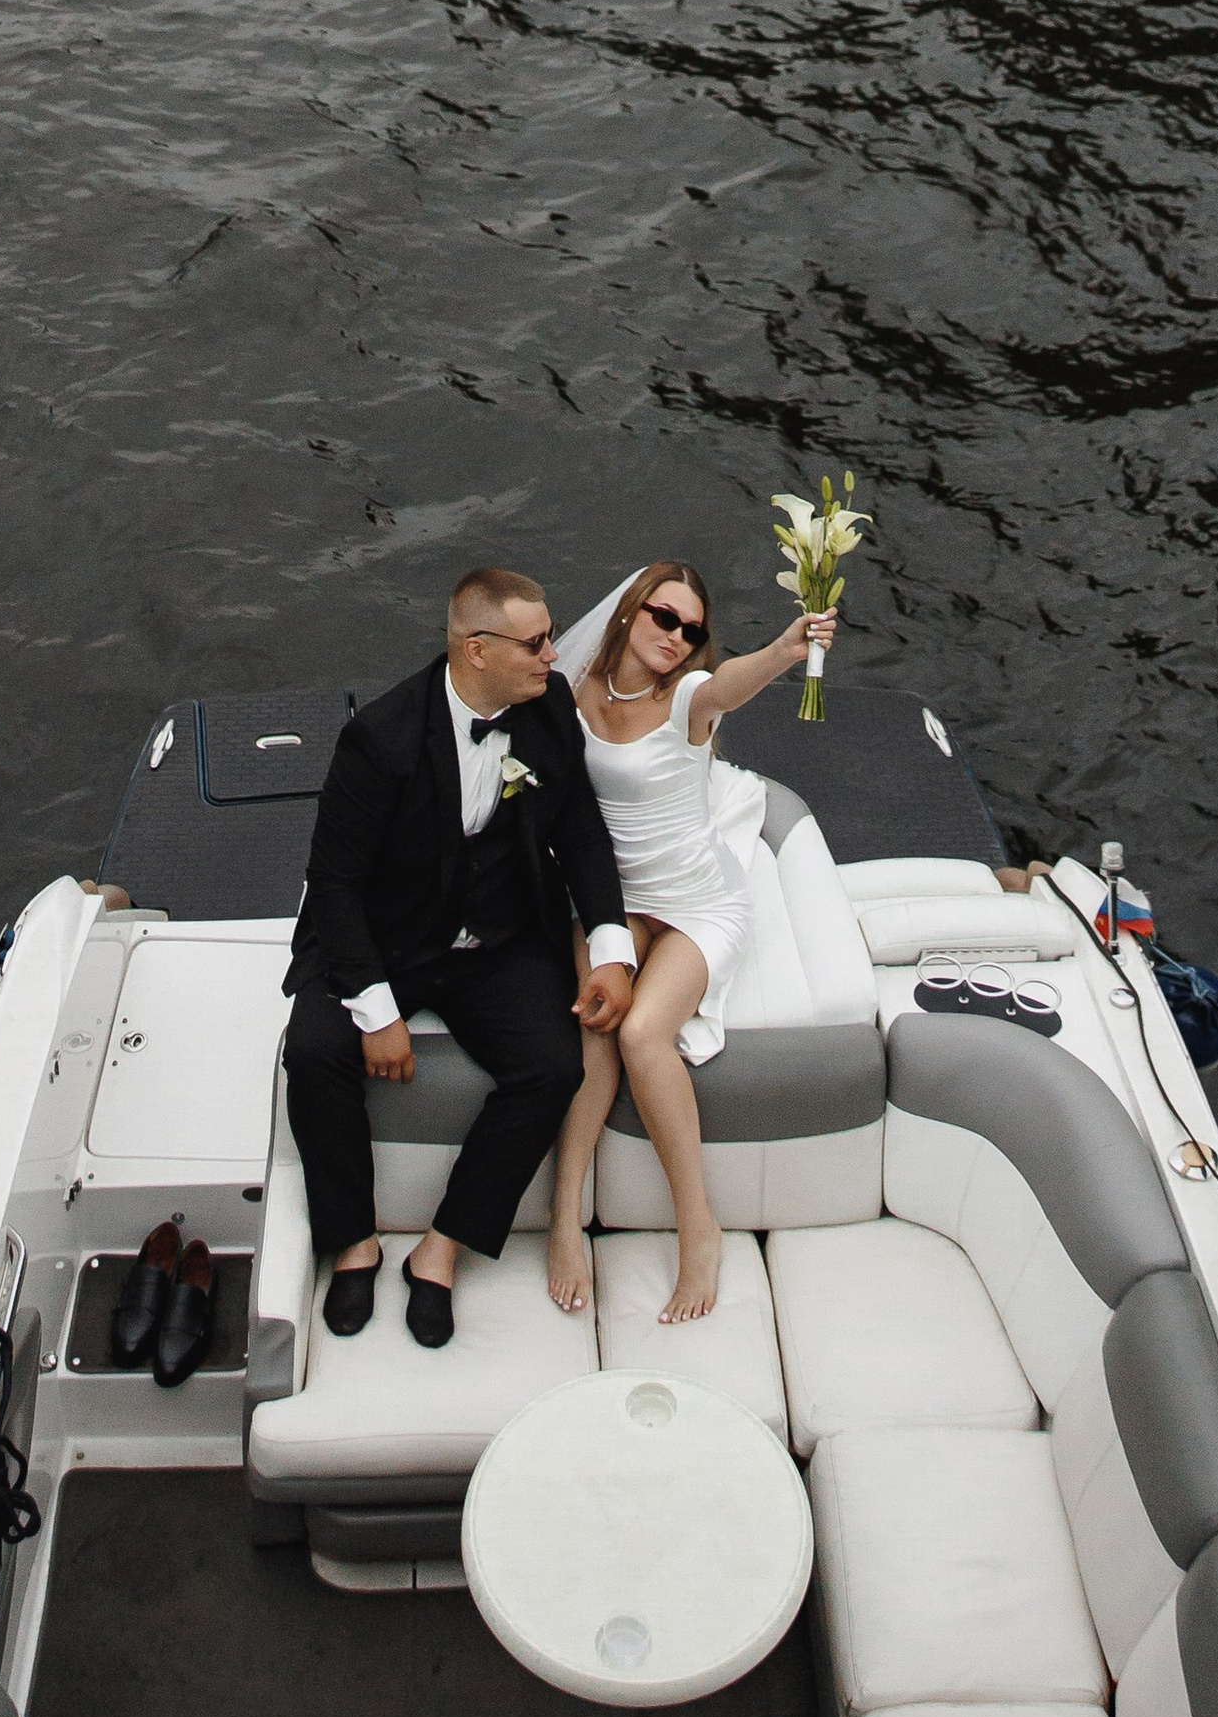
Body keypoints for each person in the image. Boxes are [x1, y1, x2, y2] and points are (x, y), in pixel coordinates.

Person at [282, 567, 634, 1349]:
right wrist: (375, 1011)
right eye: (537, 642)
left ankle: (443, 1249)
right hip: (388, 941)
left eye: (549, 638)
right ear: (477, 649)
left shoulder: (546, 713)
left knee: (553, 1066)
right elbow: (334, 885)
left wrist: (611, 950)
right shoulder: (381, 738)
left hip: (495, 944)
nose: (553, 655)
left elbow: (579, 833)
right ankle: (355, 1241)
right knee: (312, 1052)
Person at [544, 562, 834, 1326]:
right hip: (614, 899)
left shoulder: (688, 702)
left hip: (699, 902)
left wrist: (784, 650)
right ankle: (564, 1217)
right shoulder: (575, 694)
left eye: (693, 630)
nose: (678, 638)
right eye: (666, 619)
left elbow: (730, 684)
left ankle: (697, 1228)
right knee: (595, 1027)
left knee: (644, 1032)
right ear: (631, 612)